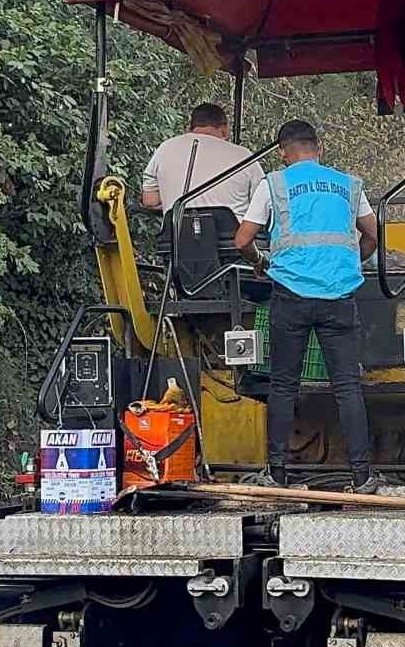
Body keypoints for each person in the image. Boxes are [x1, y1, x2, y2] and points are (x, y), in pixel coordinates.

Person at [234, 120, 383, 494]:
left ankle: (278, 474)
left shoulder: (275, 184)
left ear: (283, 151)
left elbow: (242, 240)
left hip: (291, 294)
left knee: (283, 385)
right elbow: (374, 234)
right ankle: (361, 476)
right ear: (319, 148)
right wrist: (353, 262)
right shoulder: (349, 184)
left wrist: (260, 262)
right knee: (348, 386)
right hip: (339, 295)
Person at [142, 102, 263, 220]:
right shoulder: (243, 155)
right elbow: (263, 201)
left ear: (190, 127)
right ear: (224, 129)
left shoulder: (165, 148)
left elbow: (150, 201)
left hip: (177, 235)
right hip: (230, 237)